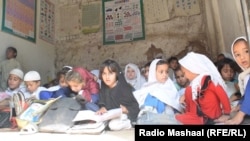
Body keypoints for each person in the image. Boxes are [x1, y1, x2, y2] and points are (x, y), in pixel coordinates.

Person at [175, 52, 231, 125]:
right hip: (199, 116)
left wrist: (227, 113)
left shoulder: (210, 80)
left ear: (193, 69)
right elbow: (192, 106)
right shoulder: (192, 86)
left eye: (184, 73)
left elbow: (223, 95)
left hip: (212, 116)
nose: (184, 76)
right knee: (178, 117)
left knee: (177, 118)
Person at [133, 59, 182, 125]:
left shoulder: (171, 88)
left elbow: (177, 107)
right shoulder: (149, 90)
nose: (164, 75)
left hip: (170, 118)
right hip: (155, 119)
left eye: (166, 72)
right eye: (161, 72)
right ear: (153, 72)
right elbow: (147, 110)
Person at [96, 59, 139, 130]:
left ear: (116, 74)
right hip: (108, 116)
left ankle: (128, 124)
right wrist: (102, 107)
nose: (107, 77)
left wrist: (126, 110)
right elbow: (102, 102)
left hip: (124, 116)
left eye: (110, 73)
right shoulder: (103, 87)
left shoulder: (124, 88)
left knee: (113, 125)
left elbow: (135, 108)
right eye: (104, 73)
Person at [225, 36, 250, 125]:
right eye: (237, 55)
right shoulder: (245, 75)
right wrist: (240, 105)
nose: (242, 57)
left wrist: (240, 115)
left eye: (246, 51)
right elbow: (247, 94)